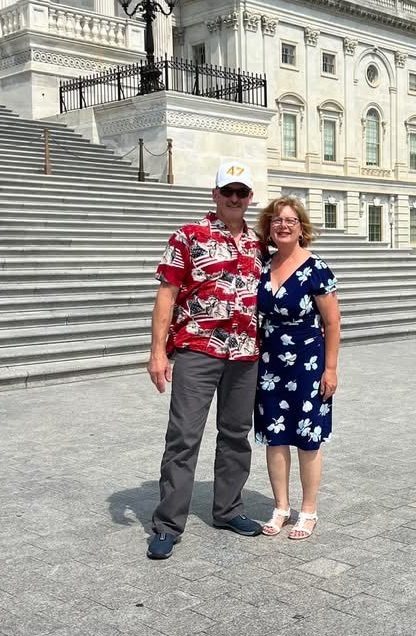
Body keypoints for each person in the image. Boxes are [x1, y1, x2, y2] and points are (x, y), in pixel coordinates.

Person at [146, 161, 264, 560]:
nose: (234, 198)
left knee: (235, 434)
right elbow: (166, 295)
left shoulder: (258, 243)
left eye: (241, 192)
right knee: (183, 436)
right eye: (227, 191)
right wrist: (157, 351)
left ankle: (228, 510)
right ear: (215, 194)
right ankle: (167, 524)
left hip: (245, 352)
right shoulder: (188, 235)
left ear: (250, 198)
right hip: (198, 349)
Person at [254, 197, 340, 540]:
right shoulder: (263, 264)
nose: (283, 225)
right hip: (270, 363)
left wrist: (330, 369)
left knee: (308, 438)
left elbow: (332, 323)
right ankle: (280, 508)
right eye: (276, 220)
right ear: (269, 227)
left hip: (307, 363)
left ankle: (308, 510)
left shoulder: (316, 268)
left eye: (290, 220)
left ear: (301, 228)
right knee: (275, 437)